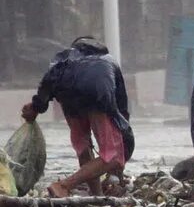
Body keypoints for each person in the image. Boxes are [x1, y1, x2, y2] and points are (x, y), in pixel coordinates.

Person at [20, 36, 134, 197]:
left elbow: (48, 81)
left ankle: (96, 195)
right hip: (97, 95)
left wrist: (36, 108)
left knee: (83, 146)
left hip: (67, 96)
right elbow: (121, 106)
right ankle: (64, 185)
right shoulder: (107, 60)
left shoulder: (64, 60)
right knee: (114, 155)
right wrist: (123, 132)